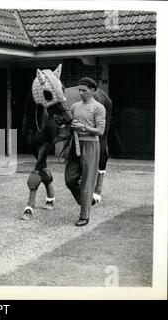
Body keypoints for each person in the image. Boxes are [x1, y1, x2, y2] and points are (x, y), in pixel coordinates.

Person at [65, 77, 106, 227]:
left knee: (87, 182)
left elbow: (100, 131)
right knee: (70, 179)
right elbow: (69, 125)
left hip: (91, 146)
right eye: (80, 90)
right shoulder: (75, 106)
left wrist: (82, 127)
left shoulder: (98, 107)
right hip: (75, 145)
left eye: (84, 91)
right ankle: (86, 202)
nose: (81, 93)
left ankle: (84, 216)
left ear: (93, 90)